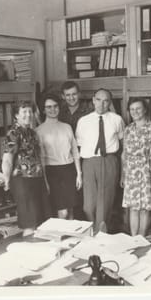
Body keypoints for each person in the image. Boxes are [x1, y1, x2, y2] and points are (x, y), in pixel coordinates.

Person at [75, 88, 125, 232]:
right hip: (89, 163)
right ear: (93, 100)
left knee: (105, 203)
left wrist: (122, 170)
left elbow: (123, 144)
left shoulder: (117, 119)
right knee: (88, 205)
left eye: (106, 101)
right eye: (98, 100)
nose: (102, 104)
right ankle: (93, 230)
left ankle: (101, 235)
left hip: (109, 161)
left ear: (110, 103)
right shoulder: (83, 121)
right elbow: (78, 146)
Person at [120, 98, 151, 237]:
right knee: (133, 208)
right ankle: (134, 239)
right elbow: (124, 154)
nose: (135, 112)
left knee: (145, 209)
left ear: (145, 109)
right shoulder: (128, 129)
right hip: (132, 172)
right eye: (132, 109)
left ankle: (141, 238)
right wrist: (123, 175)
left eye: (138, 108)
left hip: (147, 171)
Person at [2, 100, 46, 237]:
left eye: (30, 111)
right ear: (16, 115)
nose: (28, 115)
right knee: (29, 221)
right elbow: (7, 159)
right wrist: (7, 180)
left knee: (39, 220)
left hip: (36, 180)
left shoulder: (32, 133)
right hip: (22, 181)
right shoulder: (13, 133)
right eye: (24, 112)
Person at [36, 94, 82, 219]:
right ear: (43, 110)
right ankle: (60, 237)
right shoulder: (39, 131)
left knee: (71, 210)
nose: (53, 109)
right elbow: (41, 159)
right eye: (49, 107)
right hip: (52, 172)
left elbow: (75, 151)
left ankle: (72, 238)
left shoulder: (67, 127)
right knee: (63, 212)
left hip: (69, 170)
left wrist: (79, 174)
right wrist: (45, 180)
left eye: (55, 106)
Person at [59, 81, 92, 220]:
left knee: (83, 191)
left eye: (74, 94)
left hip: (84, 155)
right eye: (68, 95)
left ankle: (82, 223)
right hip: (65, 157)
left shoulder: (89, 110)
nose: (71, 98)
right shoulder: (59, 111)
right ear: (63, 96)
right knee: (68, 192)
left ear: (79, 94)